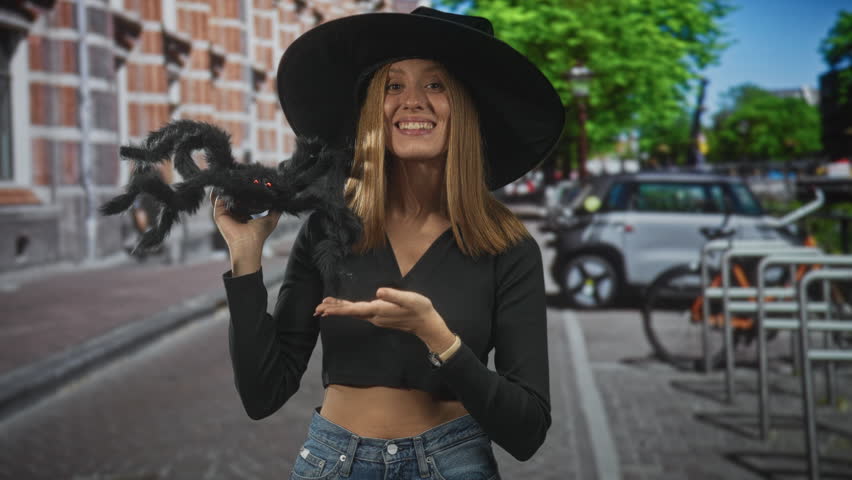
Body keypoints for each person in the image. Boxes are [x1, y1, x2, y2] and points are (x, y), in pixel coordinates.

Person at [213, 7, 564, 479]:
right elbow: (262, 395)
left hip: (454, 464)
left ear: (465, 108)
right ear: (373, 110)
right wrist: (245, 258)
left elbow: (527, 430)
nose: (412, 101)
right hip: (332, 463)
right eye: (393, 86)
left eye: (435, 85)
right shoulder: (330, 230)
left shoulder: (509, 248)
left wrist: (438, 337)